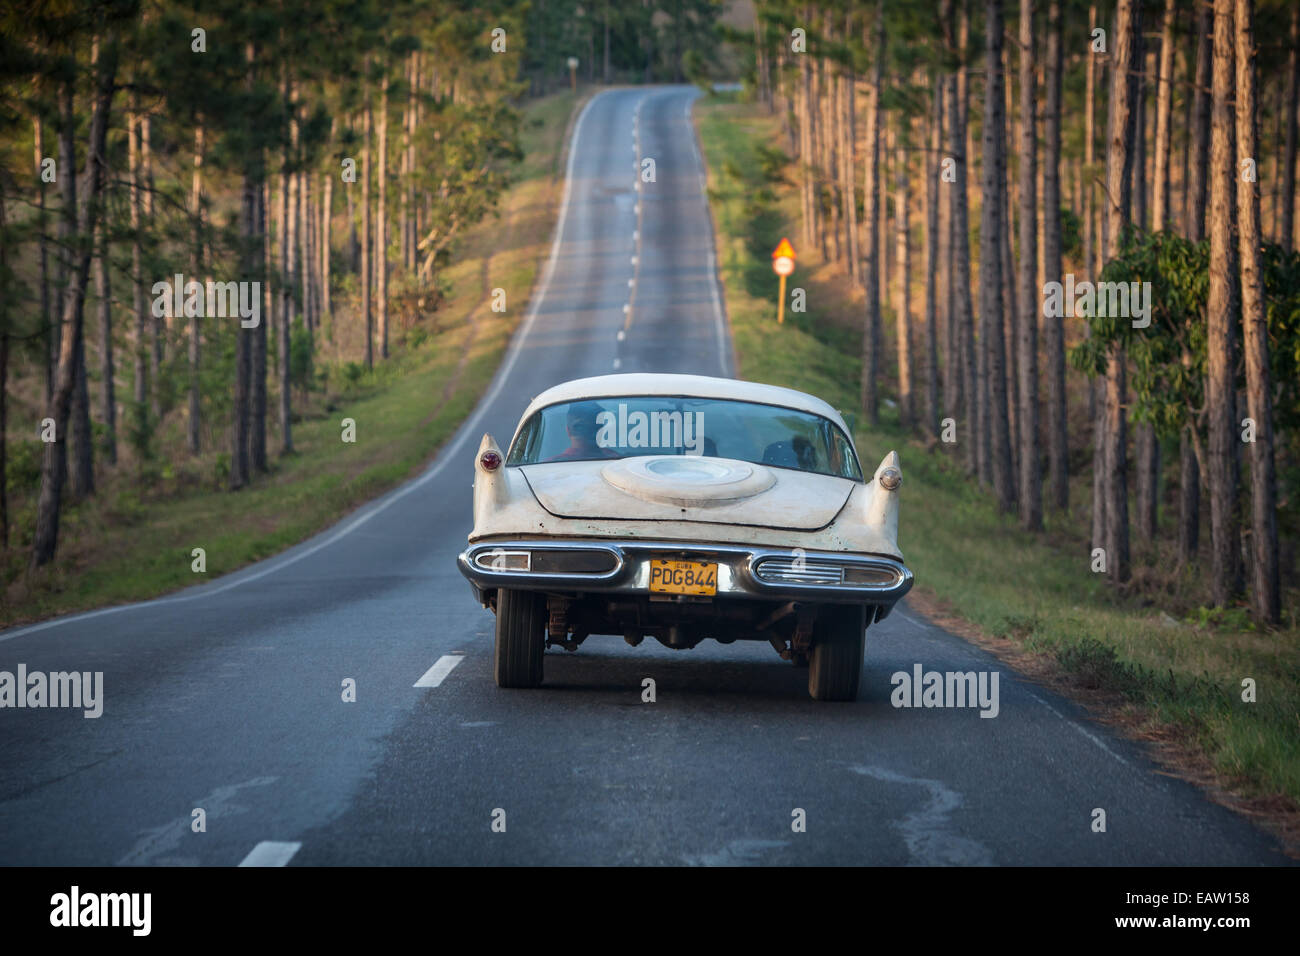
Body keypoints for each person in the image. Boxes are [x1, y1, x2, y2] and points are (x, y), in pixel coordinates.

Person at [551, 402, 619, 461]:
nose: (589, 432)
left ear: (567, 430)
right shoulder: (616, 460)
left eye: (594, 427)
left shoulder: (550, 466)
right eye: (580, 427)